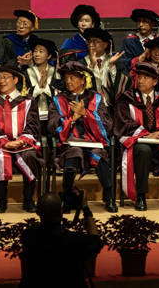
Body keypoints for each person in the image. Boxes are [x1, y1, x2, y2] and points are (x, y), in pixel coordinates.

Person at [116, 62, 159, 210]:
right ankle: (141, 196)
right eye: (139, 77)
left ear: (155, 81)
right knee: (143, 150)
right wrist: (148, 135)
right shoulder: (127, 98)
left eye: (146, 78)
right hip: (138, 141)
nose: (140, 80)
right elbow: (124, 123)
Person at [52, 62, 117, 212]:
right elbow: (52, 125)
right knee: (74, 153)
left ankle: (109, 197)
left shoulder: (96, 98)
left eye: (73, 78)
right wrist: (72, 119)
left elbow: (107, 125)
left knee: (98, 156)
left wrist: (85, 114)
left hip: (93, 142)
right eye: (66, 78)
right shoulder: (59, 99)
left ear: (83, 80)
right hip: (69, 143)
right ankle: (67, 198)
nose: (68, 81)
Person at [0, 64, 42, 213]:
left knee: (30, 156)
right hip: (1, 144)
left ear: (15, 80)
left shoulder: (28, 101)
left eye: (5, 77)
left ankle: (28, 200)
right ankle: (2, 201)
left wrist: (21, 141)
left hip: (24, 144)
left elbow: (33, 126)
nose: (1, 81)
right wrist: (6, 143)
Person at [19, 191, 103, 288]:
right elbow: (96, 240)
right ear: (61, 211)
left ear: (37, 212)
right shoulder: (75, 240)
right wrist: (85, 208)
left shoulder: (28, 236)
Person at [23, 35, 62, 126]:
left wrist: (46, 88)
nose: (37, 54)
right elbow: (23, 94)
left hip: (52, 115)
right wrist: (38, 87)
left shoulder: (56, 73)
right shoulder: (26, 73)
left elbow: (60, 94)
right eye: (35, 51)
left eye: (41, 51)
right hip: (31, 115)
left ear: (48, 56)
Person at [82, 27, 125, 102]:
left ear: (105, 45)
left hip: (112, 104)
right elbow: (83, 87)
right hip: (89, 104)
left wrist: (111, 65)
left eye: (96, 41)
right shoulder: (81, 63)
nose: (91, 44)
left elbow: (119, 86)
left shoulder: (116, 62)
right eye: (89, 41)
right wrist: (92, 65)